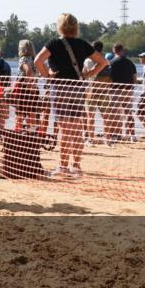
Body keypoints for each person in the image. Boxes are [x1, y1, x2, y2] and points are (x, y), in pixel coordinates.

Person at [34, 12, 109, 178]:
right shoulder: (82, 44)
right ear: (76, 27)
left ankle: (63, 166)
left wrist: (47, 75)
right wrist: (89, 74)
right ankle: (77, 166)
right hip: (77, 87)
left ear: (59, 26)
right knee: (76, 128)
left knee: (64, 128)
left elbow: (38, 61)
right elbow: (103, 61)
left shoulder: (54, 43)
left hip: (60, 88)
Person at [84, 41, 114, 145]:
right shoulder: (106, 60)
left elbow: (85, 74)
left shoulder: (88, 60)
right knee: (106, 116)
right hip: (104, 91)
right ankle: (108, 139)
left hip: (92, 91)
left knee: (90, 116)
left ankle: (91, 139)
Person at [108, 43, 138, 142]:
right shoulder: (130, 62)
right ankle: (132, 135)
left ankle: (116, 135)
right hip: (128, 89)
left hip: (115, 89)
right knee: (128, 112)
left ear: (114, 50)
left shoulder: (111, 62)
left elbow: (109, 78)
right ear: (122, 50)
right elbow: (135, 77)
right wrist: (132, 86)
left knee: (115, 113)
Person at [11, 39, 43, 132]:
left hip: (24, 88)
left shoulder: (23, 59)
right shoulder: (35, 59)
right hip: (34, 89)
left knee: (20, 113)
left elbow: (28, 71)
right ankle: (31, 134)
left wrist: (29, 84)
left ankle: (18, 133)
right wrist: (33, 84)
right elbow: (39, 72)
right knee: (32, 113)